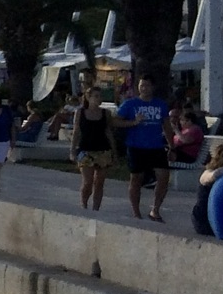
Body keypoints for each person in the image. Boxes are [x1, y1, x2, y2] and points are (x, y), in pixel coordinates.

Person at [114, 76, 175, 223]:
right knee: (136, 179)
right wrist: (133, 122)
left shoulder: (160, 105)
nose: (144, 88)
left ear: (153, 87)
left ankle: (155, 209)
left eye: (147, 85)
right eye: (141, 85)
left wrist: (172, 146)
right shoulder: (130, 104)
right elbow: (115, 121)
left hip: (156, 146)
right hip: (136, 146)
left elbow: (166, 126)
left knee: (163, 177)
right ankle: (136, 212)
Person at [69, 83, 114, 212]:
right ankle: (84, 204)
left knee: (99, 182)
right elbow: (76, 131)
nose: (99, 99)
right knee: (87, 182)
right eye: (96, 96)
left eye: (100, 96)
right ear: (88, 97)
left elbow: (108, 132)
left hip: (103, 149)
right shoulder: (80, 112)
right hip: (85, 150)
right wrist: (72, 150)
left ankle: (96, 209)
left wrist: (114, 152)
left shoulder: (105, 113)